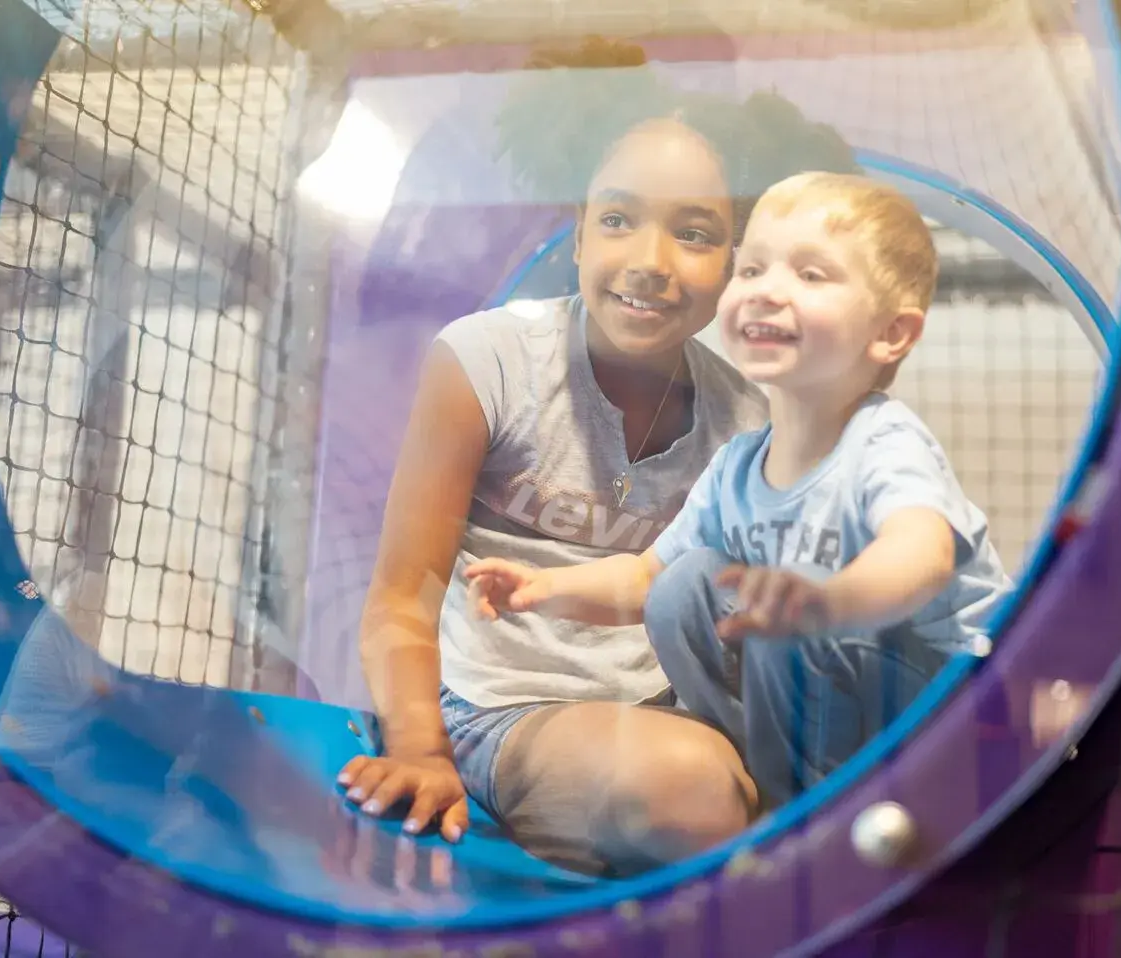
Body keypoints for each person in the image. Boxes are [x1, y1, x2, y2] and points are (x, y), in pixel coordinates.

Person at [336, 38, 859, 876]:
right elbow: (401, 600)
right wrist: (422, 748)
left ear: (733, 264)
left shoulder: (748, 420)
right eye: (618, 219)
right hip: (499, 710)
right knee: (690, 789)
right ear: (578, 235)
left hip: (669, 709)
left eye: (694, 233)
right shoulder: (489, 361)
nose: (649, 262)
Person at [467, 172, 1014, 810]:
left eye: (810, 276)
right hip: (831, 684)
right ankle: (767, 774)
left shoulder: (883, 442)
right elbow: (645, 580)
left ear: (891, 334)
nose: (766, 292)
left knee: (782, 618)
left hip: (952, 706)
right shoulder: (738, 464)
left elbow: (922, 556)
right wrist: (544, 588)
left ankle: (828, 809)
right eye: (751, 270)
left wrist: (827, 602)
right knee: (685, 585)